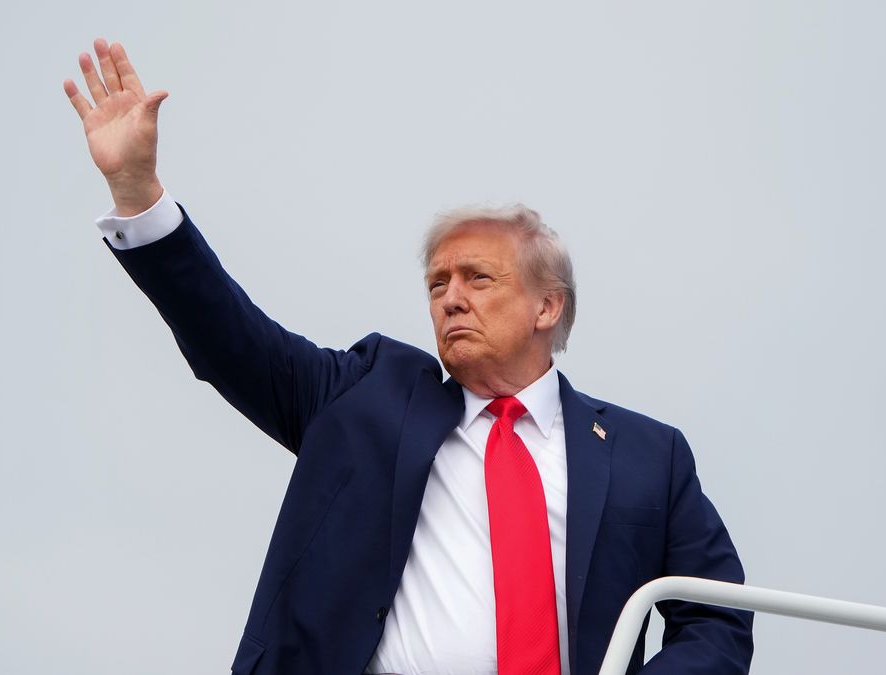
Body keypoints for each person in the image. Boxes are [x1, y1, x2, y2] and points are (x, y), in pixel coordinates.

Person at [63, 38, 753, 675]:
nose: (450, 298)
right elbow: (231, 338)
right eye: (437, 283)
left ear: (548, 306)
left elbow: (718, 617)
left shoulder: (646, 455)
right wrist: (138, 194)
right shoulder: (364, 395)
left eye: (478, 279)